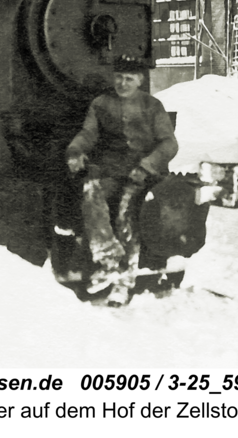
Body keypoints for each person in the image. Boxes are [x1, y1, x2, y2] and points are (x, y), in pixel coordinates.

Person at [66, 56, 178, 305]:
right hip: (111, 171)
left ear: (140, 80)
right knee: (91, 192)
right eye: (119, 77)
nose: (123, 83)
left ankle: (122, 284)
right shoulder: (101, 104)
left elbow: (169, 144)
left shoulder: (152, 106)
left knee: (127, 210)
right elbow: (88, 133)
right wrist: (75, 151)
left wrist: (147, 166)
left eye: (129, 78)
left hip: (145, 174)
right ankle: (110, 260)